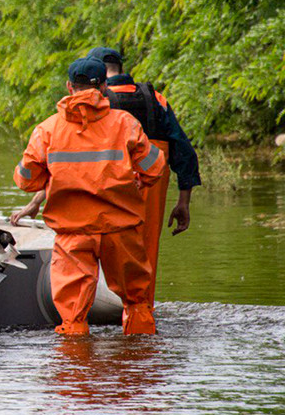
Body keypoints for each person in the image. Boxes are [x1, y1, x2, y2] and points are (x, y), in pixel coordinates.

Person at [11, 46, 200, 309]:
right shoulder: (147, 104)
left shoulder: (59, 123)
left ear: (71, 85)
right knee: (139, 284)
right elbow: (173, 157)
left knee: (73, 302)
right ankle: (141, 325)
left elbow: (49, 172)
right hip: (132, 207)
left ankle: (77, 338)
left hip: (81, 218)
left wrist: (36, 202)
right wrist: (179, 198)